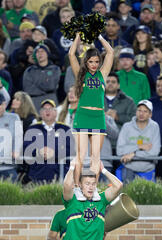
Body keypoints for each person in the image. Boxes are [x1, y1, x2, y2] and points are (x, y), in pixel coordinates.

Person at [69, 32, 114, 195]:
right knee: (80, 156)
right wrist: (78, 37)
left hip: (98, 118)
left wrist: (99, 36)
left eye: (96, 62)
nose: (94, 64)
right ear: (86, 62)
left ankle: (91, 189)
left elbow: (110, 52)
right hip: (82, 116)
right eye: (91, 62)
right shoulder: (80, 75)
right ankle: (76, 188)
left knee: (96, 158)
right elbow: (71, 54)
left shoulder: (103, 74)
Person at [23, 99, 73, 183]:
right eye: (44, 109)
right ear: (40, 113)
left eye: (50, 109)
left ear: (55, 112)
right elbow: (25, 147)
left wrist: (54, 152)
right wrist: (39, 151)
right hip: (37, 172)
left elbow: (71, 149)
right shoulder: (33, 128)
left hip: (60, 171)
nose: (47, 111)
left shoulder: (65, 129)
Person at [116, 100, 161, 182]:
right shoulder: (126, 126)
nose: (141, 114)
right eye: (139, 110)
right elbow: (120, 151)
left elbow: (154, 152)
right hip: (128, 169)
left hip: (148, 170)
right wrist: (139, 147)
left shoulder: (155, 127)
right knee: (127, 194)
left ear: (150, 114)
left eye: (145, 111)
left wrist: (133, 154)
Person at [22, 44, 61, 111]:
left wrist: (36, 84)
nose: (40, 54)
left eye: (42, 51)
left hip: (51, 102)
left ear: (47, 54)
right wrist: (45, 84)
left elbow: (51, 86)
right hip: (34, 103)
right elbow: (28, 89)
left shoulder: (55, 69)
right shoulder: (29, 70)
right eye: (37, 52)